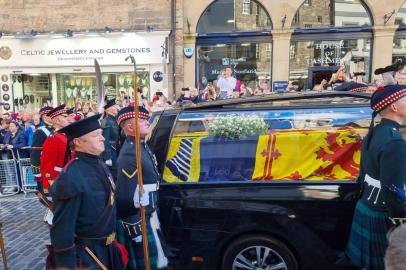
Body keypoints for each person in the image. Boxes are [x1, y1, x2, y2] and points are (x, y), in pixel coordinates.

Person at [48, 114, 128, 270]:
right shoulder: (69, 178)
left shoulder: (100, 164)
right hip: (87, 255)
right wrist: (66, 266)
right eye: (95, 135)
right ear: (78, 142)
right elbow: (62, 229)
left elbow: (107, 203)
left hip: (109, 249)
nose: (102, 138)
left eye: (100, 133)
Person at [344, 84, 406, 270]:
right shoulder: (394, 142)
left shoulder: (377, 131)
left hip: (366, 208)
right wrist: (401, 221)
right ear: (394, 107)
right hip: (381, 217)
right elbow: (393, 193)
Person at [115, 105, 168, 270]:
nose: (147, 122)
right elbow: (126, 195)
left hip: (150, 213)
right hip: (140, 218)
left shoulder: (140, 146)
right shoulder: (130, 153)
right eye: (143, 120)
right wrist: (135, 229)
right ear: (130, 127)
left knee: (159, 260)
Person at [30, 106, 54, 193]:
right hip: (45, 168)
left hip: (56, 167)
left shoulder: (57, 129)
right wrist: (37, 172)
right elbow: (35, 152)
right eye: (51, 114)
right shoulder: (40, 131)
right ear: (44, 116)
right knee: (48, 196)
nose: (54, 116)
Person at [101, 98, 120, 178]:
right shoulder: (106, 121)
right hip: (111, 153)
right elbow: (105, 140)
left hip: (116, 151)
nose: (117, 108)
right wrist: (107, 157)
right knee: (113, 175)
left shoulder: (114, 119)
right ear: (107, 109)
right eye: (114, 106)